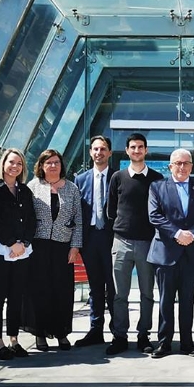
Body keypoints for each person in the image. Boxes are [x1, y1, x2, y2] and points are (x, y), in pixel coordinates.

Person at [147, 149, 194, 359]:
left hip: (191, 253)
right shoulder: (157, 187)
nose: (182, 167)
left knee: (187, 300)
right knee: (165, 301)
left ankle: (187, 343)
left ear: (192, 166)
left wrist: (192, 233)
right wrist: (177, 233)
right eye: (178, 163)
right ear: (170, 166)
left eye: (186, 163)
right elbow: (154, 216)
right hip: (166, 252)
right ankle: (164, 343)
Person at [105, 133, 164, 355]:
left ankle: (143, 335)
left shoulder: (157, 179)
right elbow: (111, 211)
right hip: (121, 242)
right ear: (127, 151)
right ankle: (119, 336)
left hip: (147, 244)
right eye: (133, 147)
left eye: (141, 147)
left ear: (146, 150)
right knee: (120, 294)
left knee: (146, 293)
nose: (137, 151)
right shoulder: (118, 177)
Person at [24, 150, 83, 351]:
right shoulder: (32, 187)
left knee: (62, 291)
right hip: (38, 246)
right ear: (41, 165)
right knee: (39, 291)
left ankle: (61, 333)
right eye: (48, 162)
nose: (53, 166)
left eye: (56, 162)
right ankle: (40, 333)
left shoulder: (72, 188)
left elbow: (79, 221)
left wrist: (75, 246)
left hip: (62, 247)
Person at [0, 148, 36, 360]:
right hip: (0, 249)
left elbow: (32, 220)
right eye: (11, 162)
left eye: (19, 164)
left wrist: (23, 243)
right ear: (3, 164)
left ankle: (14, 340)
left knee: (16, 297)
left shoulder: (25, 191)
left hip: (22, 252)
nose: (15, 166)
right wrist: (11, 243)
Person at [73, 136, 116, 348]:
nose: (99, 152)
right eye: (95, 149)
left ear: (109, 153)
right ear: (91, 152)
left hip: (111, 240)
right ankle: (95, 330)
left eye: (103, 149)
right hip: (90, 240)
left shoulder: (117, 178)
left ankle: (118, 331)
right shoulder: (80, 180)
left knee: (114, 287)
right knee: (95, 287)